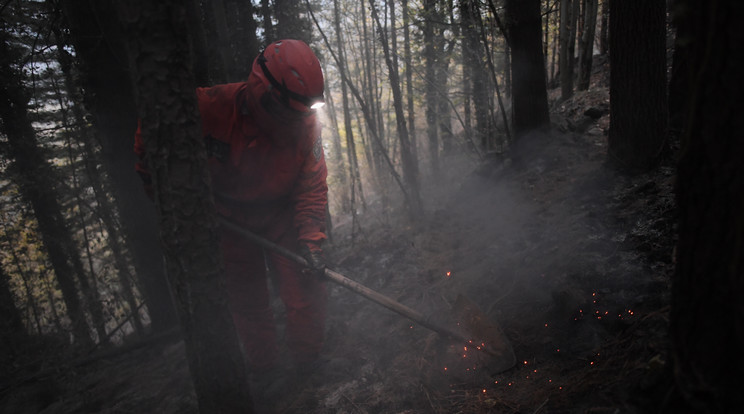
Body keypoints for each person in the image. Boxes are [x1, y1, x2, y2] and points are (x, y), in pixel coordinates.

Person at [134, 39, 329, 381]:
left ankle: (309, 369)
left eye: (300, 114)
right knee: (248, 303)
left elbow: (311, 186)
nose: (293, 122)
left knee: (303, 291)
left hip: (282, 217)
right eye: (287, 114)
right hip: (229, 222)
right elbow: (150, 140)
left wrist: (310, 241)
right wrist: (170, 200)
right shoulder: (209, 107)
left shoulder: (307, 126)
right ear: (263, 92)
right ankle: (266, 372)